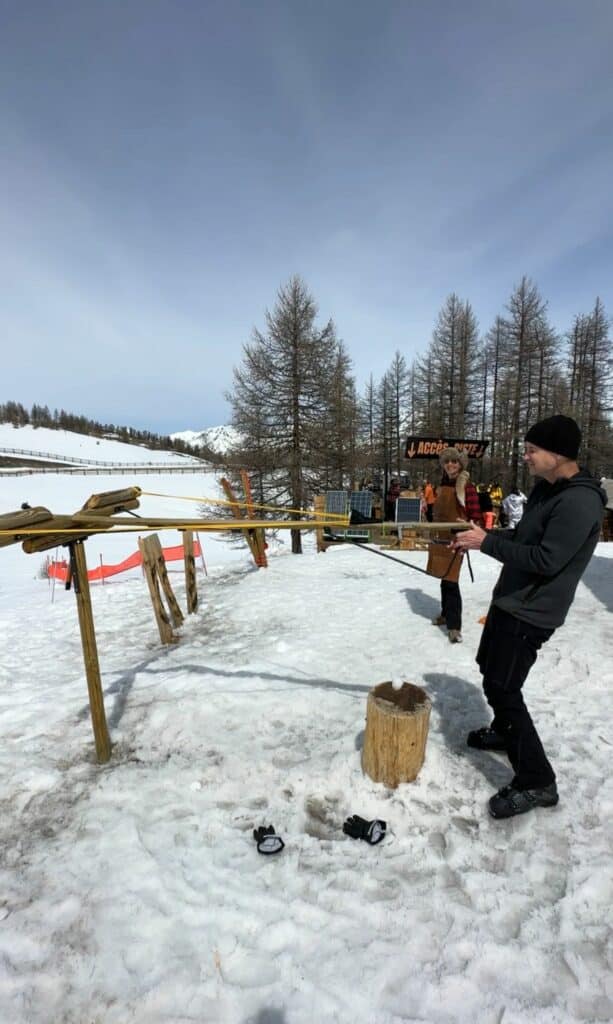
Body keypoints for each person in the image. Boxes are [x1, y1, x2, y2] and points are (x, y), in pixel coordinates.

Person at [451, 414, 606, 819]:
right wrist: (478, 538)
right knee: (490, 669)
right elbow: (521, 540)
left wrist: (487, 544)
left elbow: (546, 560)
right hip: (511, 599)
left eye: (532, 450)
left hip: (534, 609)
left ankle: (538, 781)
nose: (526, 457)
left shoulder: (579, 500)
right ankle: (505, 731)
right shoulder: (544, 490)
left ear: (557, 454)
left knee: (504, 688)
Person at [428, 447, 483, 644]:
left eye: (454, 462)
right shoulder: (442, 484)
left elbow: (476, 517)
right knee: (443, 578)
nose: (450, 465)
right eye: (447, 461)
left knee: (451, 582)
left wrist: (467, 535)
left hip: (455, 539)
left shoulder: (466, 486)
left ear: (461, 464)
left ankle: (454, 627)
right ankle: (445, 614)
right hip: (439, 538)